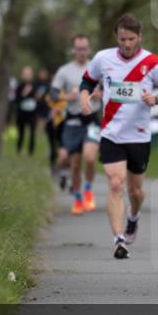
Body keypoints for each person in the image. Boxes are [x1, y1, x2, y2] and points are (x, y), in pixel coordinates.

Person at [80, 14, 158, 259]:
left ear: (139, 37)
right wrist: (84, 97)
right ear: (117, 37)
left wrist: (156, 99)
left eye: (131, 39)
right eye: (122, 39)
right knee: (114, 184)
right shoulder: (103, 58)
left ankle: (133, 217)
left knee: (136, 192)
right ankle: (119, 238)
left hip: (139, 136)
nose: (127, 44)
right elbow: (88, 80)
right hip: (111, 133)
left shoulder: (153, 62)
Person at [52, 35, 103, 215]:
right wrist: (68, 97)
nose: (82, 52)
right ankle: (78, 199)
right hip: (72, 121)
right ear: (73, 50)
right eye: (78, 48)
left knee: (90, 157)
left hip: (91, 121)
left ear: (89, 49)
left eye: (85, 48)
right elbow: (53, 93)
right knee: (74, 164)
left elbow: (109, 90)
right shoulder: (64, 71)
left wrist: (100, 94)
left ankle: (88, 190)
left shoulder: (97, 68)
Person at [15, 66, 39, 155]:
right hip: (22, 113)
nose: (27, 76)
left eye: (29, 74)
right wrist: (24, 93)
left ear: (32, 75)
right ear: (22, 75)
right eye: (25, 74)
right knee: (21, 132)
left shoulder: (35, 85)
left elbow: (38, 99)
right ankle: (19, 149)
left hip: (32, 113)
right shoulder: (19, 86)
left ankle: (31, 151)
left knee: (32, 132)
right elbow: (16, 99)